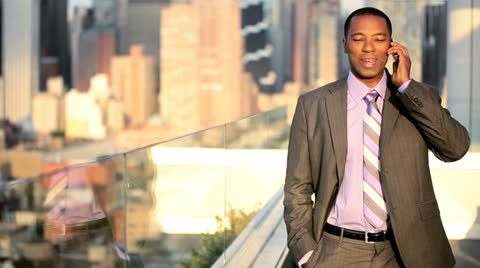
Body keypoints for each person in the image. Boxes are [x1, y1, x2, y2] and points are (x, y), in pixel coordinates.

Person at [283, 7, 470, 268]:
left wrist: (406, 86)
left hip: (408, 251)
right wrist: (306, 253)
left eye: (379, 39)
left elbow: (456, 148)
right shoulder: (313, 105)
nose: (369, 48)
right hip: (336, 251)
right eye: (359, 39)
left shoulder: (416, 99)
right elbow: (297, 187)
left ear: (392, 46)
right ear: (345, 44)